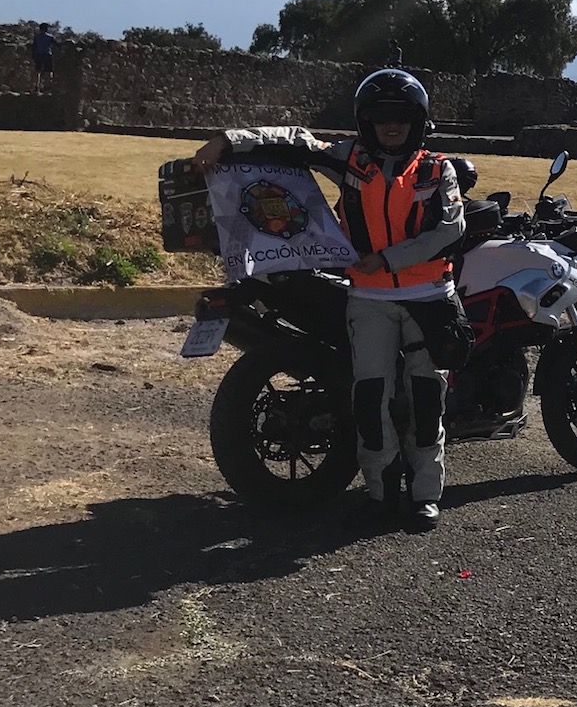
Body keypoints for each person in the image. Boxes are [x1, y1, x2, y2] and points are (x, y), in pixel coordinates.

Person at [193, 69, 464, 530]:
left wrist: (388, 259)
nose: (391, 126)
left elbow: (450, 230)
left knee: (425, 399)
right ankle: (379, 493)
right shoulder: (351, 161)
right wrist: (228, 140)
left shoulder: (439, 170)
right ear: (366, 122)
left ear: (417, 121)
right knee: (369, 397)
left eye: (400, 117)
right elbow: (295, 142)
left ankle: (424, 496)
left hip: (429, 298)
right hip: (369, 298)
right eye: (381, 118)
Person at [30, 24, 55, 90]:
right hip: (47, 54)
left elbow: (34, 46)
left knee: (38, 71)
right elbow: (55, 45)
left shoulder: (37, 37)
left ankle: (36, 85)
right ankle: (48, 86)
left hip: (39, 54)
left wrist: (33, 55)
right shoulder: (50, 37)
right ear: (46, 29)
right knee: (48, 71)